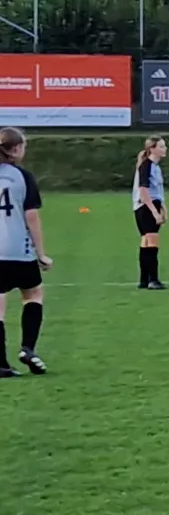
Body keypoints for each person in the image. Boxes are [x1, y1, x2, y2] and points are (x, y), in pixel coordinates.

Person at [0, 127, 51, 377]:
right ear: (16, 149)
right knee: (33, 294)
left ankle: (1, 364)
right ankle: (28, 348)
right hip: (18, 249)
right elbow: (31, 217)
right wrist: (41, 253)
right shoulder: (23, 177)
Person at [133, 136, 169, 290]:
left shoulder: (154, 166)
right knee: (152, 243)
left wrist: (163, 208)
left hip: (150, 205)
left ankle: (144, 280)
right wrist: (155, 212)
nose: (165, 149)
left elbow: (157, 191)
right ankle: (153, 279)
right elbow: (143, 191)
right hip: (146, 207)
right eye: (161, 146)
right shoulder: (146, 166)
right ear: (152, 149)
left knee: (146, 242)